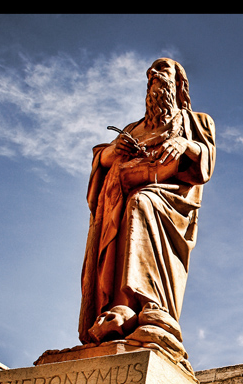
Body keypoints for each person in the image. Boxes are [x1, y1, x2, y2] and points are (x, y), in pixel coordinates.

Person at [78, 58, 216, 365]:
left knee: (143, 202)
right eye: (150, 73)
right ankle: (117, 307)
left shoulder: (197, 122)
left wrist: (185, 145)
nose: (153, 75)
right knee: (130, 207)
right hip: (121, 194)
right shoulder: (133, 129)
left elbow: (205, 162)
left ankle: (148, 304)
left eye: (161, 70)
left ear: (179, 83)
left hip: (169, 200)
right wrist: (111, 153)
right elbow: (102, 160)